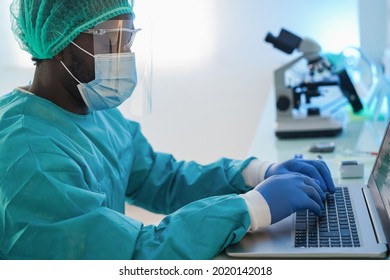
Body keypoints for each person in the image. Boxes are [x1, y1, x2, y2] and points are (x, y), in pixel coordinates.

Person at [0, 0, 335, 260]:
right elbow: (131, 257)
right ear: (62, 43)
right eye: (110, 42)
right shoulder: (29, 153)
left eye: (127, 40)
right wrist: (252, 208)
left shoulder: (93, 108)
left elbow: (161, 179)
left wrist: (256, 173)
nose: (124, 56)